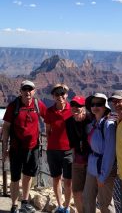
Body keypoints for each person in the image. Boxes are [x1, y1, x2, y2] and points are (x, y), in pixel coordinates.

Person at [2, 80, 47, 213]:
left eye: (30, 89)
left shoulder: (38, 104)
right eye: (25, 89)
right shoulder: (13, 106)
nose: (28, 92)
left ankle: (25, 203)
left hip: (33, 148)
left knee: (28, 176)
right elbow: (6, 128)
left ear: (34, 91)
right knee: (15, 177)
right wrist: (5, 148)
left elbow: (50, 117)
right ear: (20, 91)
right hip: (16, 148)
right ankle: (14, 206)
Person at [83, 93, 116, 213]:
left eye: (99, 104)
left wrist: (103, 175)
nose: (95, 107)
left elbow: (110, 153)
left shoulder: (109, 125)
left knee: (105, 204)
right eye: (93, 104)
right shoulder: (93, 124)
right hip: (92, 167)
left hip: (104, 169)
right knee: (87, 199)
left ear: (105, 107)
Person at [45, 84, 73, 213]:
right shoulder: (49, 111)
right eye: (57, 94)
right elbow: (48, 130)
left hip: (69, 151)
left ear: (66, 95)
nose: (60, 96)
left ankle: (67, 207)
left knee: (68, 181)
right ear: (53, 96)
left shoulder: (72, 110)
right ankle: (60, 206)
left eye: (62, 93)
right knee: (56, 179)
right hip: (53, 150)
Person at [65, 96, 92, 213]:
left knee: (90, 193)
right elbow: (72, 143)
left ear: (84, 107)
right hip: (78, 161)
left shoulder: (91, 119)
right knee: (76, 191)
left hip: (92, 161)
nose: (75, 108)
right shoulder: (69, 123)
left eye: (79, 106)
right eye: (73, 106)